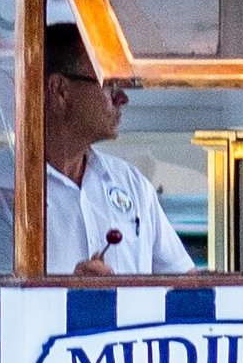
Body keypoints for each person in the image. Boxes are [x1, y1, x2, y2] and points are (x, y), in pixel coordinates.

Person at [42, 22, 192, 277]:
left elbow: (185, 286)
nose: (122, 98)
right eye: (108, 84)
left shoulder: (133, 185)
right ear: (60, 91)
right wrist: (67, 297)